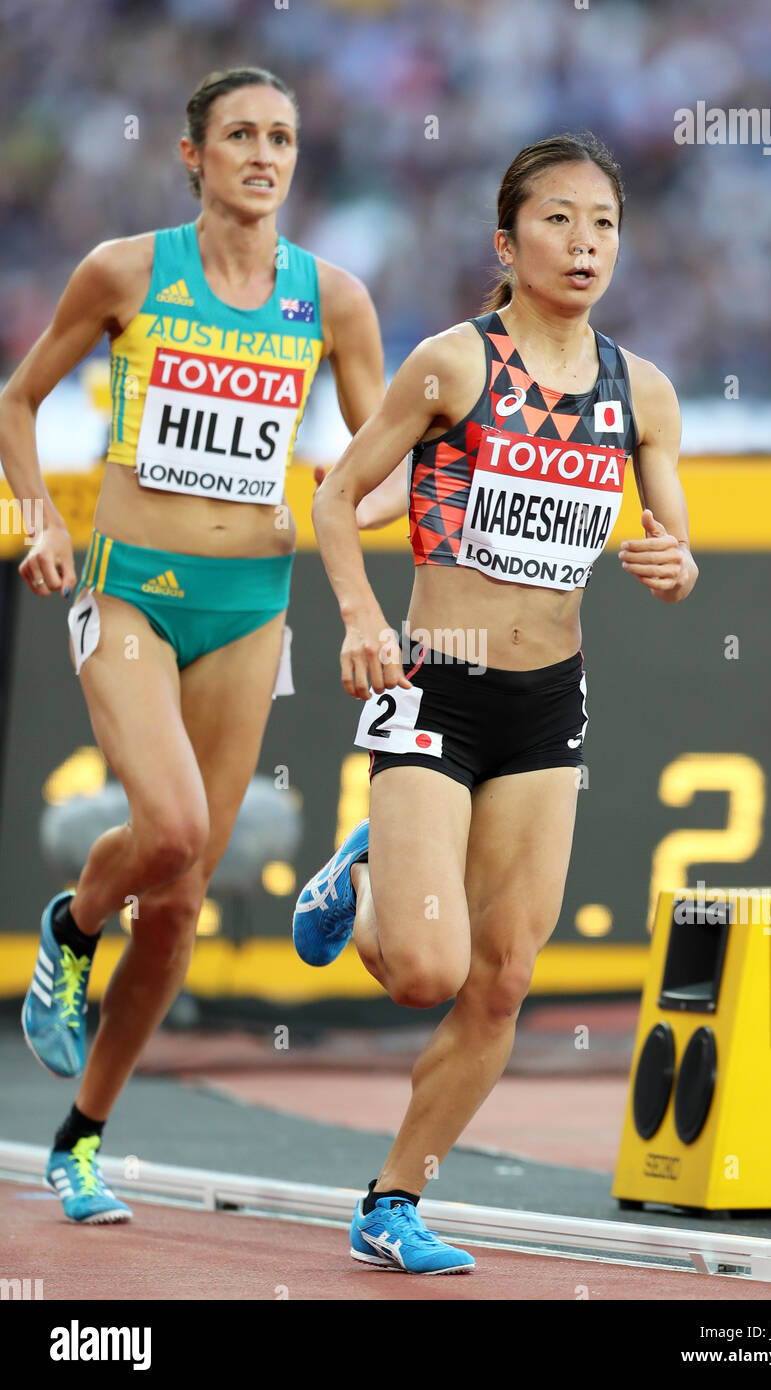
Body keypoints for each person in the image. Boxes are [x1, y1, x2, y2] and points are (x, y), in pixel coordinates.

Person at [293, 132, 699, 1274]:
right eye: (559, 219)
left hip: (543, 702)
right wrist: (363, 620)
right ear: (506, 241)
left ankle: (390, 1200)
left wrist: (676, 567)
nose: (583, 243)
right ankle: (363, 875)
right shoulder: (451, 366)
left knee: (503, 976)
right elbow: (336, 500)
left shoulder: (644, 393)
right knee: (423, 970)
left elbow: (674, 545)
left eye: (603, 223)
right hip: (431, 685)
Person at [3, 66, 396, 1224]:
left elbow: (379, 460)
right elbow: (18, 398)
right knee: (168, 828)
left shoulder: (334, 300)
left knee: (178, 901)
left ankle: (79, 1139)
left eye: (281, 135)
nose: (264, 154)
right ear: (193, 154)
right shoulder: (126, 270)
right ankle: (71, 926)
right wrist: (40, 514)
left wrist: (379, 494)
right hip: (130, 588)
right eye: (239, 135)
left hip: (251, 605)